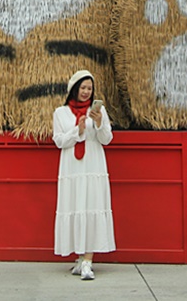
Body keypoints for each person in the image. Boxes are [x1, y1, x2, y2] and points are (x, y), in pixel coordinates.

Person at [52, 69, 115, 281]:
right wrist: (77, 131)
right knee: (76, 206)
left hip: (93, 165)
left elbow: (106, 139)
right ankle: (80, 257)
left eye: (90, 88)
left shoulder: (98, 111)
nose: (86, 92)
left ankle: (88, 260)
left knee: (91, 205)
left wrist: (97, 124)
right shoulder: (60, 113)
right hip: (72, 168)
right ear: (74, 89)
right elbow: (59, 141)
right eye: (83, 88)